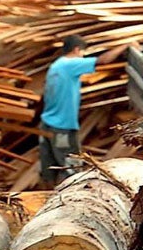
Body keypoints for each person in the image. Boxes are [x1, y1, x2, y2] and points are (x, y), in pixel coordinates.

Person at [37, 35, 109, 185]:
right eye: (82, 53)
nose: (82, 56)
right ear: (77, 50)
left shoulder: (56, 66)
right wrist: (126, 46)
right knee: (72, 169)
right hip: (62, 128)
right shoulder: (69, 65)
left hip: (47, 125)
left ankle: (45, 197)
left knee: (49, 168)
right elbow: (102, 61)